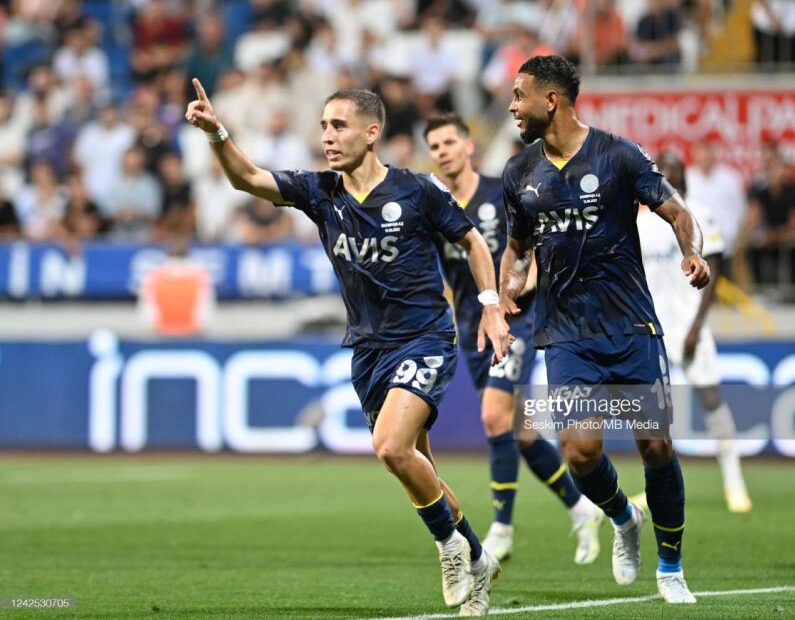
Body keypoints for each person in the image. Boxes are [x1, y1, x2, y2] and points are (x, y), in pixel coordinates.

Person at [185, 79, 510, 615]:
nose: (328, 137)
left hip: (425, 337)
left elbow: (472, 241)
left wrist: (491, 304)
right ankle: (477, 557)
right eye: (323, 127)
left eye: (339, 126)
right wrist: (217, 132)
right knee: (413, 466)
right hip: (368, 351)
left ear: (372, 132)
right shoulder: (321, 192)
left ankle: (449, 546)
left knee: (390, 448)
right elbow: (247, 178)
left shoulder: (417, 190)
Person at [499, 55, 709, 604]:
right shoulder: (519, 173)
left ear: (551, 100)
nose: (512, 106)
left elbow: (678, 212)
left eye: (519, 95)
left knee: (656, 446)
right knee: (580, 453)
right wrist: (503, 300)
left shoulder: (618, 155)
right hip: (565, 334)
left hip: (630, 326)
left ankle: (671, 568)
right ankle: (622, 516)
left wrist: (692, 254)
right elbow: (517, 249)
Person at [423, 112, 603, 564]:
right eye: (435, 146)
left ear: (468, 146)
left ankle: (501, 527)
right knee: (519, 432)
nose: (443, 152)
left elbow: (531, 248)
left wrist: (513, 294)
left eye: (449, 142)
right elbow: (444, 274)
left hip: (515, 318)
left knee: (492, 417)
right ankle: (582, 509)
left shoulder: (499, 192)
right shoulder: (436, 204)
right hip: (473, 329)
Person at [637, 151, 752, 513]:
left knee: (711, 399)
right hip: (654, 330)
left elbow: (714, 271)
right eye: (662, 173)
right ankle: (656, 487)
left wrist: (696, 327)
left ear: (684, 177)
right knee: (653, 416)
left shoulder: (700, 214)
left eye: (673, 172)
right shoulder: (641, 223)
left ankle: (734, 482)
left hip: (690, 327)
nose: (667, 178)